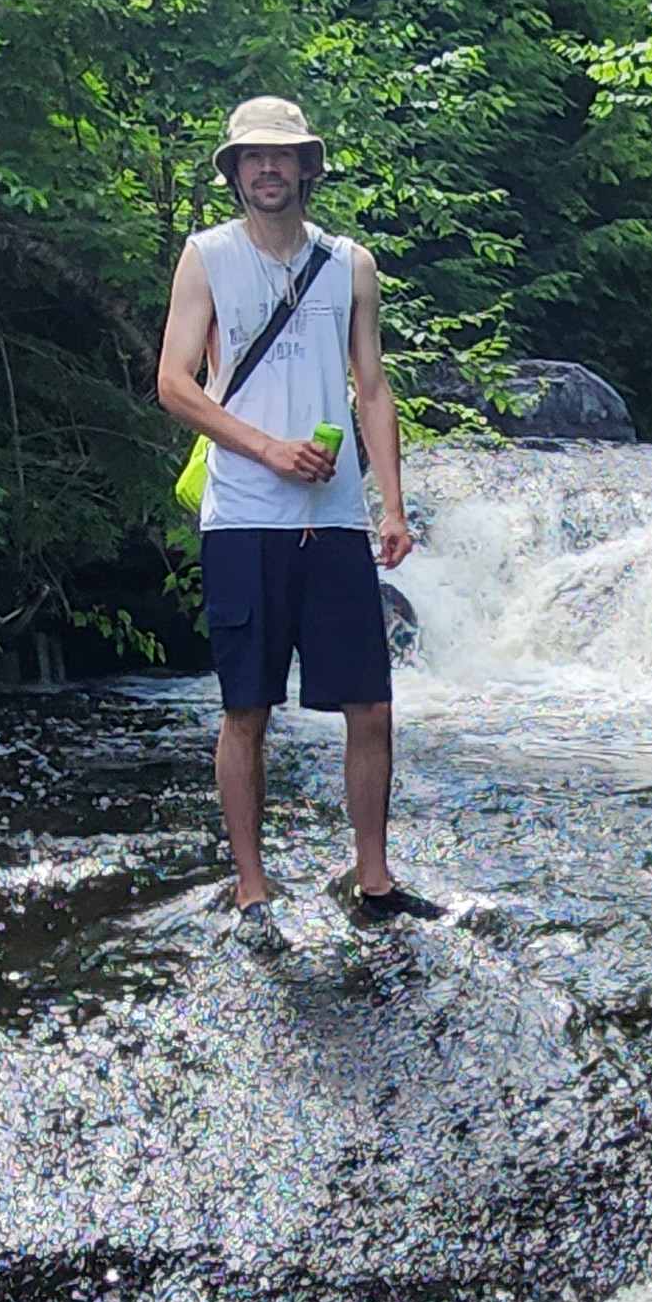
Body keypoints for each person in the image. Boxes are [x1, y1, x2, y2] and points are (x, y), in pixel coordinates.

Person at [155, 94, 439, 930]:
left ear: (307, 167)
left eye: (282, 157)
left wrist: (391, 503)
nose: (267, 170)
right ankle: (252, 884)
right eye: (252, 158)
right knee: (247, 706)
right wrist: (269, 450)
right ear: (235, 172)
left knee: (371, 705)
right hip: (243, 517)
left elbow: (373, 387)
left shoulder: (349, 262)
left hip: (338, 519)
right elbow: (174, 385)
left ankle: (374, 879)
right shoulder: (205, 257)